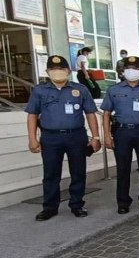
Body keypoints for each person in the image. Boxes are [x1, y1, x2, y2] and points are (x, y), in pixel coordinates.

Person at [25, 55, 101, 221]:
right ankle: (50, 207)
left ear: (68, 71)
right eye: (53, 69)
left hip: (76, 136)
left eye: (61, 69)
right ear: (47, 72)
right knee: (51, 174)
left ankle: (77, 205)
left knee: (78, 172)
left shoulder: (80, 89)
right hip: (50, 137)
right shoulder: (40, 90)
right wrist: (32, 138)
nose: (57, 72)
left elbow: (90, 114)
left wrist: (95, 137)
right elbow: (32, 115)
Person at [101, 56, 139, 214]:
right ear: (123, 70)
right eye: (129, 68)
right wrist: (106, 135)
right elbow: (106, 114)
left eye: (136, 68)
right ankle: (123, 202)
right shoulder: (114, 90)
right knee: (123, 169)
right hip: (121, 131)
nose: (132, 71)